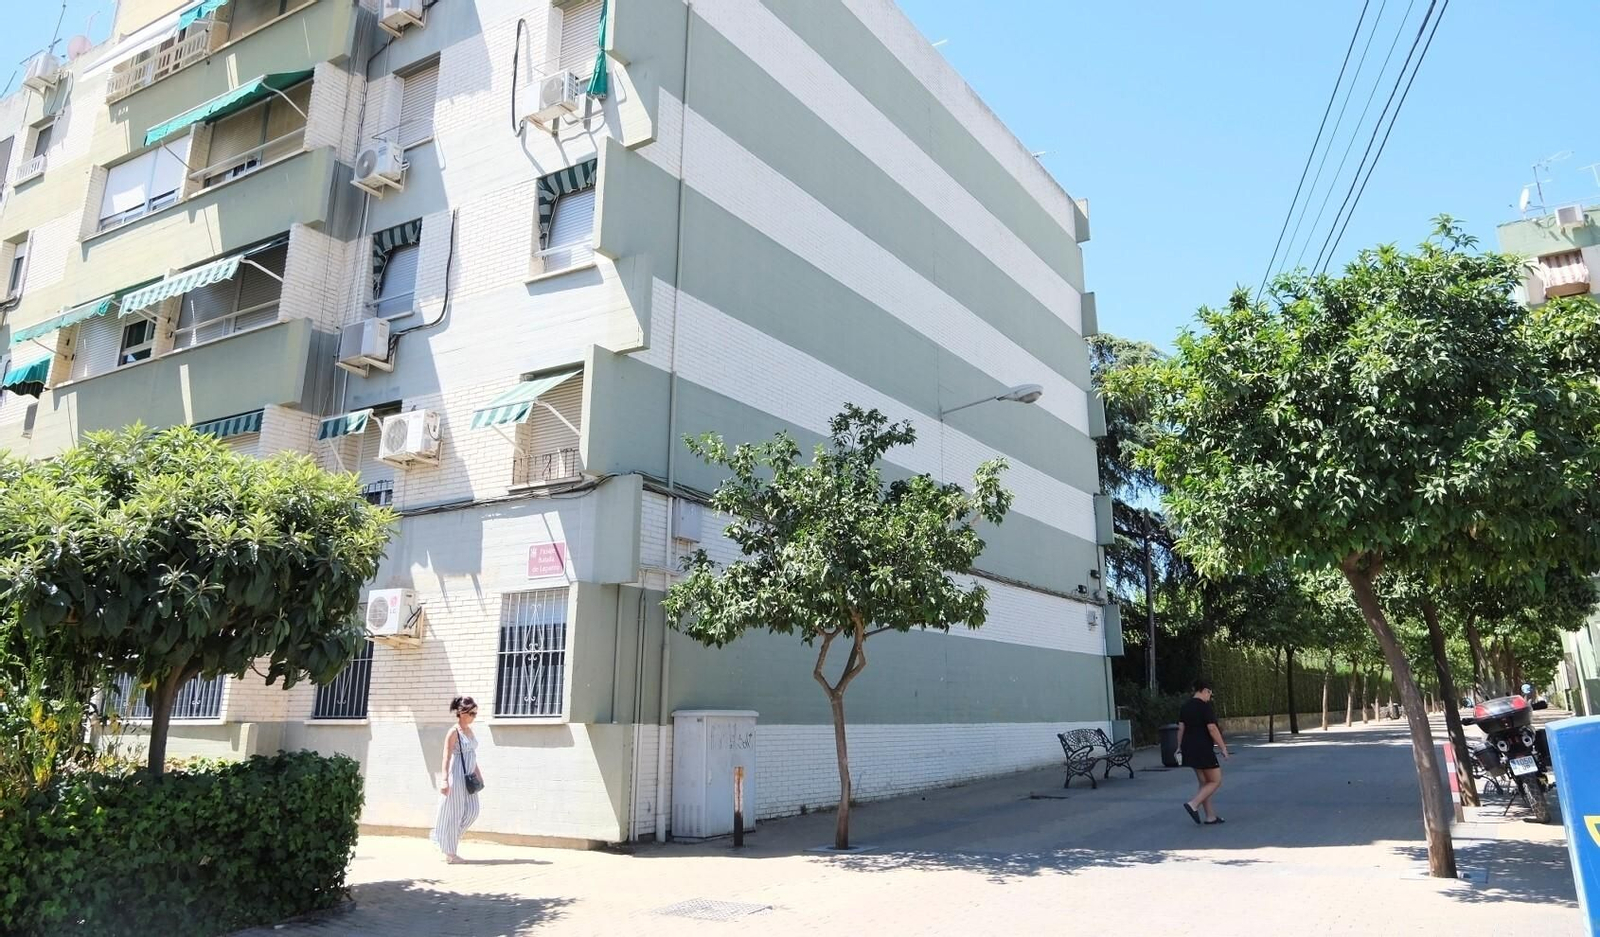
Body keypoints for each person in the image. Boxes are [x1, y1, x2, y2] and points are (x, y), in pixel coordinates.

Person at [431, 695, 485, 863]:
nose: (474, 716)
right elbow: (446, 757)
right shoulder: (453, 732)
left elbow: (472, 756)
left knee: (473, 811)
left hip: (469, 777)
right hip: (457, 777)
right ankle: (451, 854)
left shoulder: (470, 731)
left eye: (475, 713)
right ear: (462, 712)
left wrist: (479, 774)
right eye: (471, 713)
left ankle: (448, 839)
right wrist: (444, 780)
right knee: (455, 814)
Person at [1177, 679, 1229, 825]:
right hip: (1203, 748)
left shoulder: (1185, 706)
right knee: (1216, 781)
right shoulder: (1204, 707)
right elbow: (1212, 728)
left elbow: (1181, 728)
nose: (1209, 697)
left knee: (1204, 782)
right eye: (1210, 694)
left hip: (1189, 748)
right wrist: (1223, 747)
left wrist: (1179, 747)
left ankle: (1210, 816)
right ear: (1205, 690)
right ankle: (1193, 804)